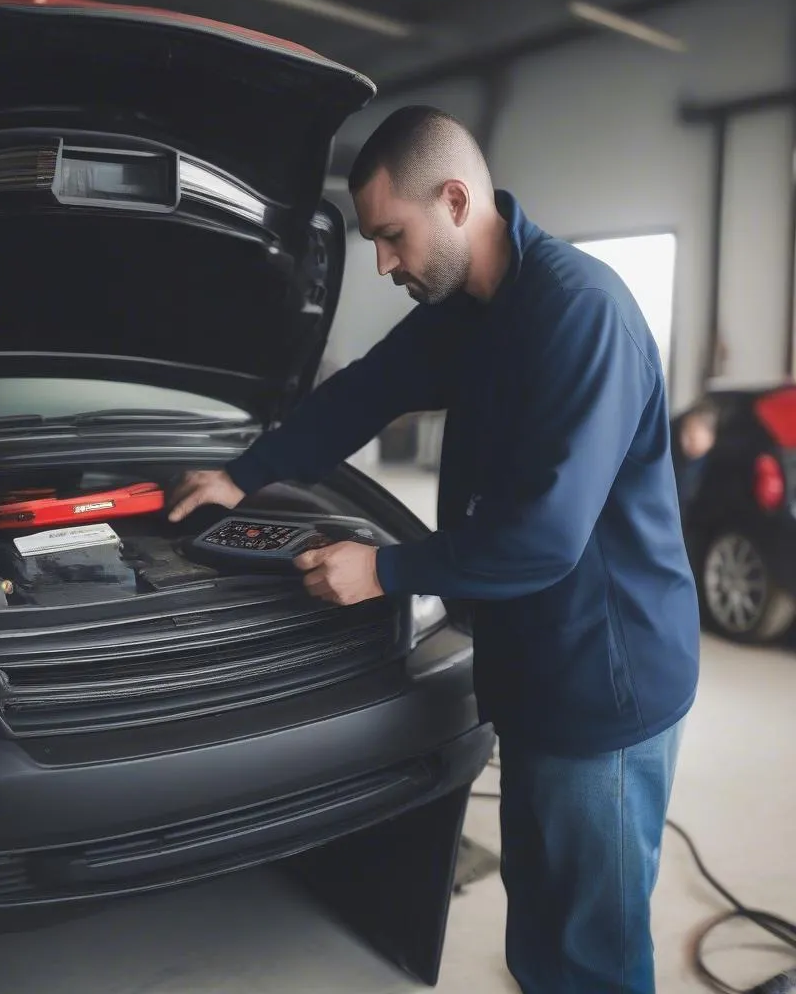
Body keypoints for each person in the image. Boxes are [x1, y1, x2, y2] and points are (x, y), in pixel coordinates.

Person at [168, 106, 700, 993]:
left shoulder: (579, 316)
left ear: (455, 200)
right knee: (541, 928)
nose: (383, 264)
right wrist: (245, 474)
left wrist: (385, 569)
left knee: (593, 952)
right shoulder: (470, 309)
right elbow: (366, 393)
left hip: (605, 682)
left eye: (391, 236)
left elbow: (546, 537)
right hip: (535, 666)